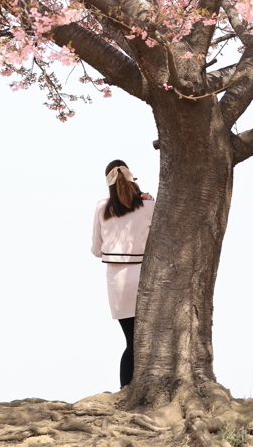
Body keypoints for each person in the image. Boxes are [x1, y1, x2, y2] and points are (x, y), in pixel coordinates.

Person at [91, 159, 155, 388]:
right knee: (146, 340)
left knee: (132, 341)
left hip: (118, 280)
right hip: (146, 278)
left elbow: (96, 250)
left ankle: (125, 389)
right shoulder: (149, 206)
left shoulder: (102, 207)